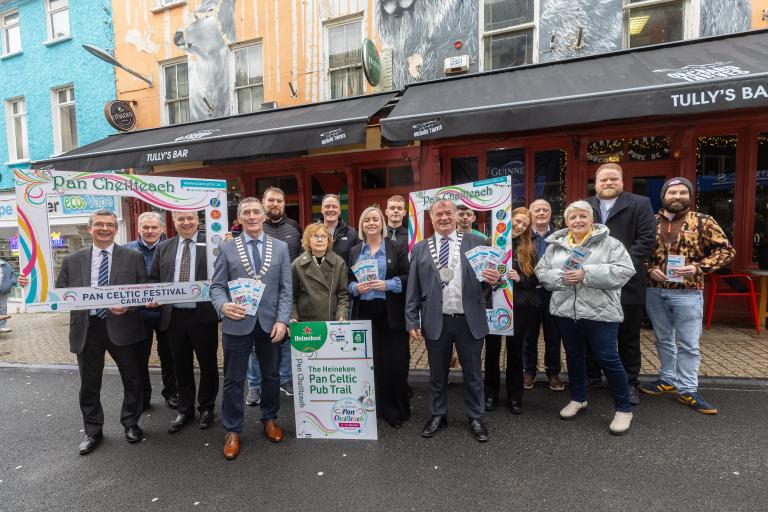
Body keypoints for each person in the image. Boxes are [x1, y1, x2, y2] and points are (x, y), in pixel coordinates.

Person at [19, 209, 149, 454]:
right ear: (90, 229)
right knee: (90, 384)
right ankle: (93, 431)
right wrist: (30, 285)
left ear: (115, 229)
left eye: (110, 224)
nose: (104, 228)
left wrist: (129, 305)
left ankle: (131, 423)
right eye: (99, 224)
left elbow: (143, 291)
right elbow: (55, 293)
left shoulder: (133, 257)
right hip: (87, 328)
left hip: (123, 325)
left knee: (133, 379)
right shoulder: (72, 260)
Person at [535, 200, 636, 435]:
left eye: (583, 216)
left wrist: (586, 274)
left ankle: (623, 408)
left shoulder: (610, 243)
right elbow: (542, 272)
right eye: (573, 217)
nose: (578, 221)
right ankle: (578, 398)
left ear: (592, 220)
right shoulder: (556, 246)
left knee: (608, 358)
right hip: (565, 312)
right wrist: (562, 278)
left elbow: (625, 271)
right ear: (566, 222)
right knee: (574, 356)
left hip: (601, 312)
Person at [405, 199, 501, 442]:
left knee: (472, 374)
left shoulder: (476, 242)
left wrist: (494, 279)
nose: (444, 218)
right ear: (432, 218)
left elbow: (493, 279)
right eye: (439, 214)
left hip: (469, 320)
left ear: (457, 216)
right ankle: (438, 414)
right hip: (437, 320)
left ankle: (476, 417)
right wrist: (411, 320)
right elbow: (413, 288)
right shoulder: (420, 248)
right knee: (437, 374)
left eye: (448, 213)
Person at [640, 177, 735, 414]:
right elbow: (640, 252)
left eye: (683, 192)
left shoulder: (703, 221)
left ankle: (688, 389)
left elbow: (726, 251)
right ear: (663, 196)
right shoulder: (651, 222)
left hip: (688, 292)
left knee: (689, 344)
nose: (677, 196)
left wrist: (698, 267)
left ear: (689, 196)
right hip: (654, 289)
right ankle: (667, 379)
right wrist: (649, 268)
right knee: (663, 338)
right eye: (672, 192)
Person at [210, 198, 292, 460]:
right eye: (247, 212)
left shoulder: (280, 248)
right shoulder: (227, 248)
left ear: (264, 216)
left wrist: (283, 320)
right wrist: (223, 307)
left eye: (257, 211)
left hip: (270, 323)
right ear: (240, 218)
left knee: (271, 376)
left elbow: (285, 289)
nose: (252, 216)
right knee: (234, 380)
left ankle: (269, 419)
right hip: (237, 322)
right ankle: (232, 429)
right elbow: (217, 287)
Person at [585, 163, 656, 405]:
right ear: (596, 183)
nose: (608, 183)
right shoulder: (586, 207)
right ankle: (592, 375)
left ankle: (629, 382)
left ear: (622, 181)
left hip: (628, 281)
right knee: (592, 333)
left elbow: (646, 240)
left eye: (613, 179)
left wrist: (618, 266)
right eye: (603, 180)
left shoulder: (640, 204)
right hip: (593, 281)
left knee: (627, 336)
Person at [148, 211, 220, 433]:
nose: (186, 222)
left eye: (190, 218)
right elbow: (154, 279)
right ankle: (185, 408)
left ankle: (206, 407)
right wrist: (152, 297)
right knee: (181, 365)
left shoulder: (211, 244)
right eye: (181, 219)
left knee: (208, 364)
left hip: (203, 315)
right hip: (174, 317)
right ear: (174, 221)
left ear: (197, 220)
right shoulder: (163, 247)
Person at [349, 206, 411, 428]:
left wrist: (387, 284)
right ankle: (374, 407)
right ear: (362, 225)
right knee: (370, 363)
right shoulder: (356, 251)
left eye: (375, 219)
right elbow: (348, 282)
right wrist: (356, 288)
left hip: (390, 313)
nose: (372, 223)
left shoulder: (396, 248)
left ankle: (395, 410)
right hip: (365, 312)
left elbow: (408, 277)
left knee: (394, 363)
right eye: (367, 220)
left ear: (382, 223)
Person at [246, 186, 302, 406]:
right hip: (259, 294)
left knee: (287, 338)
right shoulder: (255, 226)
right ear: (263, 203)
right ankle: (254, 384)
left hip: (287, 290)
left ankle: (285, 378)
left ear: (284, 203)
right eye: (271, 201)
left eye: (279, 201)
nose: (275, 204)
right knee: (254, 342)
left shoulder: (294, 227)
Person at [484, 208, 538, 414]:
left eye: (524, 224)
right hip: (493, 305)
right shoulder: (490, 242)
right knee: (492, 352)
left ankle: (515, 397)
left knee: (516, 353)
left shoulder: (528, 249)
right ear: (509, 219)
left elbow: (535, 279)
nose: (519, 226)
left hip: (519, 308)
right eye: (517, 221)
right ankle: (490, 394)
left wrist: (520, 278)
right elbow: (478, 272)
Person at [124, 211, 178, 410]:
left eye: (154, 227)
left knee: (169, 356)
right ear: (138, 229)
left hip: (166, 312)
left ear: (162, 229)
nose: (150, 231)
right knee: (139, 358)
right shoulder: (125, 250)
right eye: (145, 227)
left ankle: (171, 393)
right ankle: (143, 397)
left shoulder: (172, 249)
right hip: (137, 314)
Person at [524, 199, 564, 392]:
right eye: (537, 210)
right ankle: (529, 371)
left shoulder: (560, 236)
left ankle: (553, 373)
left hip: (553, 293)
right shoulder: (522, 236)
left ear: (550, 213)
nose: (541, 212)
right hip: (529, 293)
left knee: (553, 335)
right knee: (528, 335)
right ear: (530, 214)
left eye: (545, 209)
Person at [291, 222, 349, 323]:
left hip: (332, 322)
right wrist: (293, 317)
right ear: (308, 240)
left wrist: (342, 315)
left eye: (323, 236)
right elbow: (292, 296)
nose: (320, 239)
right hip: (305, 324)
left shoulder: (339, 263)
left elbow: (343, 295)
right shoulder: (297, 264)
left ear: (328, 240)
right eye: (315, 236)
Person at [321, 193, 357, 265]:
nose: (331, 209)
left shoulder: (351, 233)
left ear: (339, 210)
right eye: (327, 206)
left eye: (334, 207)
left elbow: (355, 261)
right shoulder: (312, 232)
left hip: (343, 275)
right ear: (322, 210)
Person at [0, 257, 17, 333]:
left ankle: (1, 326)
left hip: (3, 290)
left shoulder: (6, 265)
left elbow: (13, 274)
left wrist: (11, 283)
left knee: (3, 308)